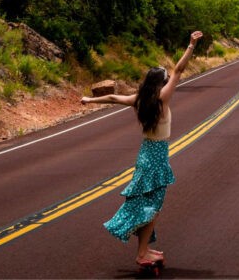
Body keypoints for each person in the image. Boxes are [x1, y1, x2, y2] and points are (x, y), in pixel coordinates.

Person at [81, 30, 204, 267]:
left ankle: (144, 249)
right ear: (161, 82)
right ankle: (141, 253)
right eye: (165, 77)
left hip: (146, 154)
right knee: (153, 207)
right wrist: (190, 45)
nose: (169, 78)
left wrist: (90, 100)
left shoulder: (141, 99)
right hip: (156, 157)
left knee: (148, 206)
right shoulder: (162, 98)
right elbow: (179, 70)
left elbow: (115, 99)